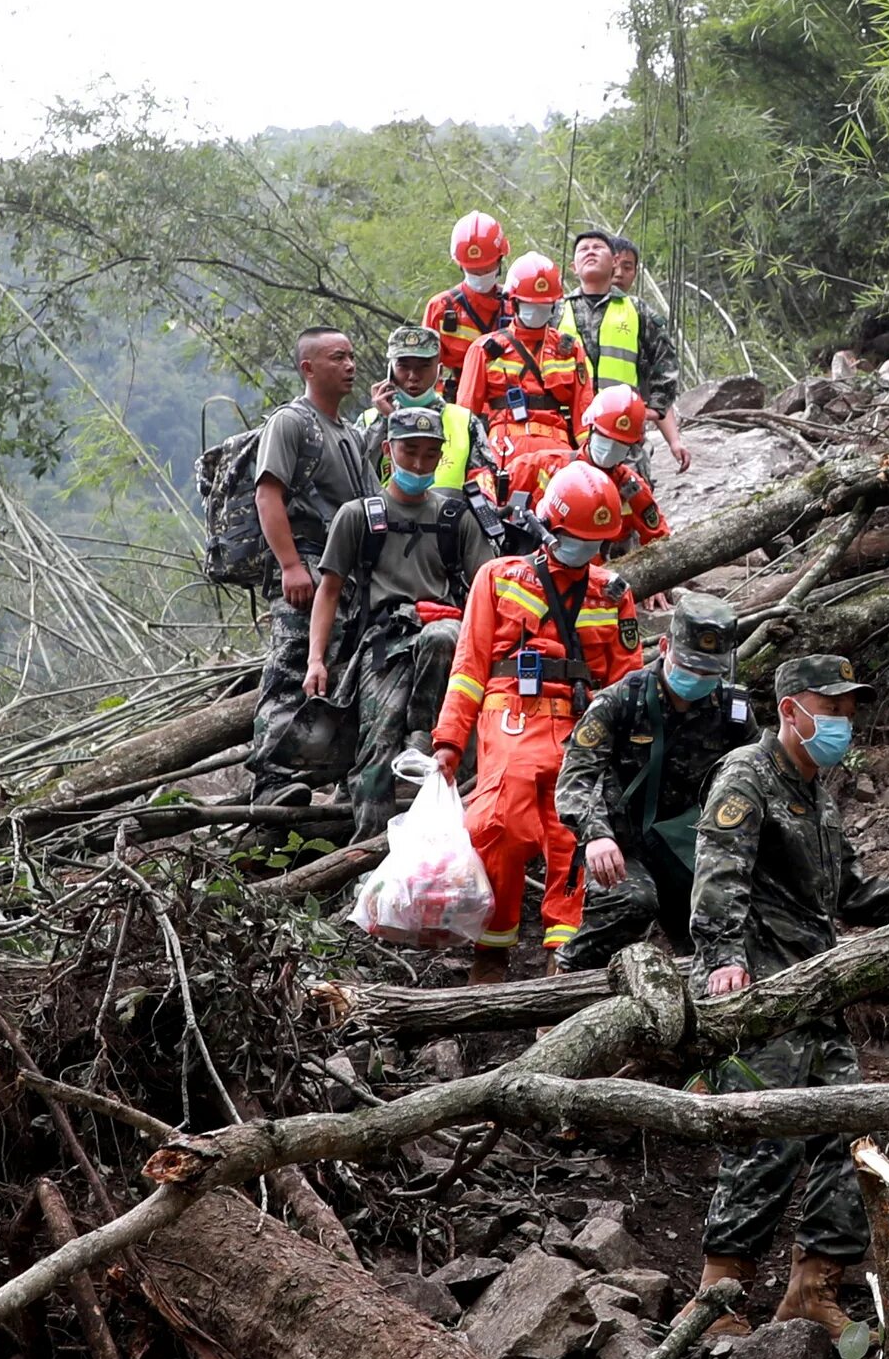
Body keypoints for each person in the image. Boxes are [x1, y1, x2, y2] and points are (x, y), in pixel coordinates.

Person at [689, 654, 889, 1333]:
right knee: (767, 1133)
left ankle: (812, 1286)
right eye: (832, 712)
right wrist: (722, 963)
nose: (842, 726)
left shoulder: (818, 792)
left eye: (849, 714)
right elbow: (717, 878)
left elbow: (848, 890)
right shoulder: (746, 776)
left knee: (849, 1131)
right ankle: (720, 1297)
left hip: (817, 988)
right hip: (760, 989)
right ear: (792, 709)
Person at [428, 462, 643, 983]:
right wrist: (450, 742)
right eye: (578, 539)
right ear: (551, 527)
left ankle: (561, 957)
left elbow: (626, 683)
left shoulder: (613, 594)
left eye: (595, 543)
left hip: (581, 723)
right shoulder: (499, 577)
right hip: (511, 715)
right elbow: (469, 668)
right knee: (500, 818)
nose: (585, 551)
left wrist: (626, 748)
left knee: (571, 829)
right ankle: (491, 949)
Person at [305, 406, 498, 836]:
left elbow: (489, 588)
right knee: (375, 754)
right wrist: (317, 660)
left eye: (431, 454)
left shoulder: (455, 517)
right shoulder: (359, 516)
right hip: (383, 644)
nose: (418, 464)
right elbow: (329, 590)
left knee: (445, 637)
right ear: (390, 451)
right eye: (410, 452)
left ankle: (428, 754)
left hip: (445, 644)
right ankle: (368, 855)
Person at [555, 592, 751, 970]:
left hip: (689, 843)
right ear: (664, 646)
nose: (697, 679)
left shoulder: (731, 710)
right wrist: (595, 834)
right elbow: (576, 776)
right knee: (631, 901)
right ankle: (565, 985)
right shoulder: (620, 702)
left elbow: (755, 775)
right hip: (622, 844)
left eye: (709, 673)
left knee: (727, 911)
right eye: (689, 667)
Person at [246, 327, 376, 801]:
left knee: (339, 674)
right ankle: (270, 780)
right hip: (307, 567)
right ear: (308, 368)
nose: (350, 365)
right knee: (290, 669)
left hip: (344, 576)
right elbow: (268, 495)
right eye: (337, 357)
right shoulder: (291, 423)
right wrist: (290, 565)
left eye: (352, 356)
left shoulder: (349, 433)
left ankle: (326, 777)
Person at [456, 250, 593, 511]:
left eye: (543, 305)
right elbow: (465, 419)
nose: (536, 311)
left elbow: (584, 415)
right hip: (505, 453)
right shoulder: (485, 349)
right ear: (513, 302)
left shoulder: (570, 349)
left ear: (554, 305)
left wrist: (588, 462)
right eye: (530, 304)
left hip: (559, 455)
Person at [565, 229, 688, 469]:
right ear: (573, 267)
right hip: (570, 434)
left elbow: (665, 363)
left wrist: (655, 409)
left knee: (630, 502)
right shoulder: (556, 312)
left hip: (624, 435)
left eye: (597, 248)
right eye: (584, 249)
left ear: (613, 261)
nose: (590, 252)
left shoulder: (637, 311)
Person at [360, 323, 486, 492]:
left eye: (423, 366)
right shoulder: (370, 420)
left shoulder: (464, 421)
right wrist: (385, 420)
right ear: (390, 370)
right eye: (403, 366)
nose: (413, 376)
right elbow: (355, 476)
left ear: (439, 371)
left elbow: (485, 484)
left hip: (450, 515)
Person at [424, 212, 513, 396]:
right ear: (460, 264)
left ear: (500, 260)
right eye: (472, 270)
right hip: (458, 402)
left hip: (508, 404)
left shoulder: (515, 304)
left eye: (486, 268)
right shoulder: (440, 308)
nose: (480, 273)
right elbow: (423, 367)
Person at [576, 385, 668, 556]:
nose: (610, 448)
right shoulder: (550, 466)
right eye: (605, 437)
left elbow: (660, 541)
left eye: (619, 443)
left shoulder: (632, 489)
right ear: (591, 428)